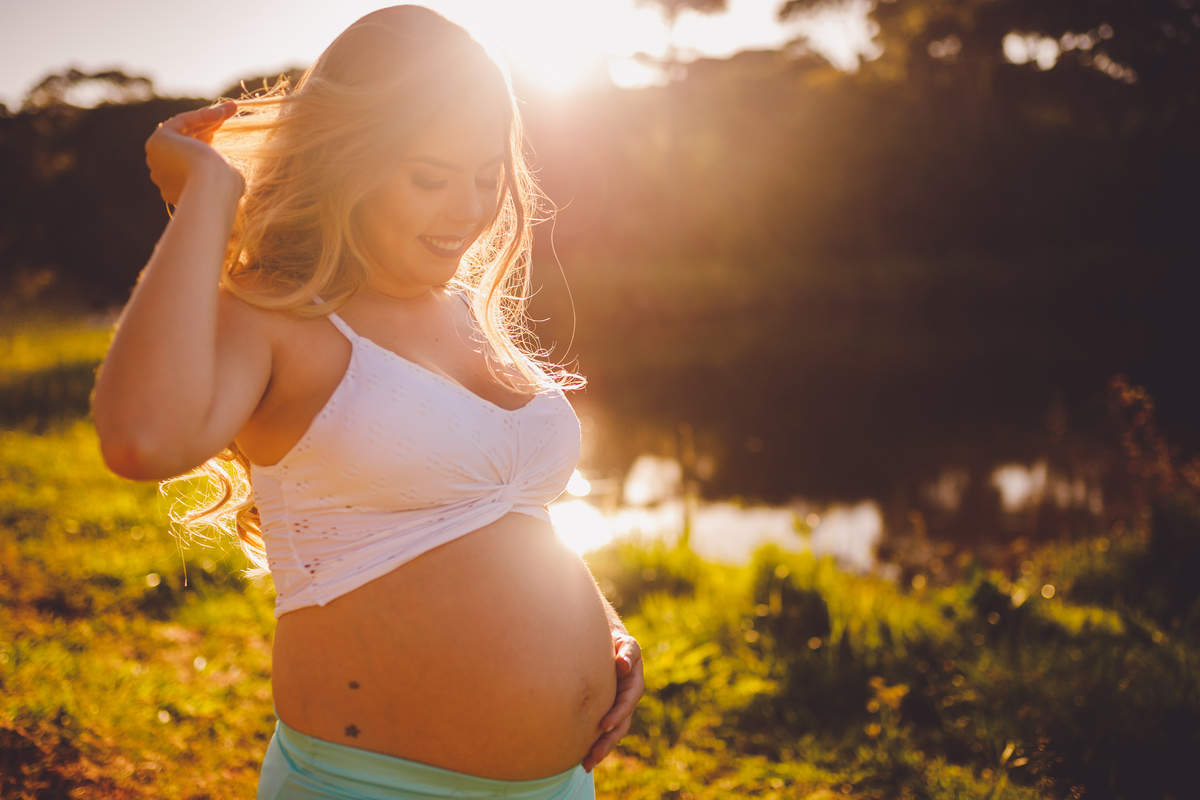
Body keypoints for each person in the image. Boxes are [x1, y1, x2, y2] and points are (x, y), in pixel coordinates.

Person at [90, 6, 643, 799]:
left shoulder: (462, 312)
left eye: (487, 176)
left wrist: (603, 631)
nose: (468, 208)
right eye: (430, 176)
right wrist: (207, 198)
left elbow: (508, 512)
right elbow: (140, 439)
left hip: (560, 786)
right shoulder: (275, 316)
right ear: (349, 160)